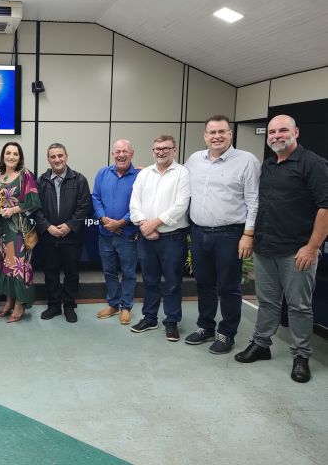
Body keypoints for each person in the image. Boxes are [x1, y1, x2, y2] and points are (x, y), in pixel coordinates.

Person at [235, 115, 328, 383]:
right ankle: (261, 344)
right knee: (267, 301)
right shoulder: (268, 166)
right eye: (272, 132)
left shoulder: (313, 164)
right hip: (266, 248)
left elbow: (325, 207)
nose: (276, 135)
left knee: (299, 306)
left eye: (283, 130)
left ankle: (301, 355)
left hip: (297, 251)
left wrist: (312, 247)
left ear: (296, 132)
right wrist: (251, 238)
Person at [184, 114, 260, 354]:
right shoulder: (195, 159)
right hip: (198, 233)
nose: (216, 136)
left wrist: (248, 234)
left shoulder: (247, 161)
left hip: (230, 234)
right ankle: (205, 326)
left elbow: (254, 200)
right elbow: (178, 181)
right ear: (205, 136)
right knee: (204, 283)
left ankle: (227, 333)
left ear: (230, 134)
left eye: (221, 132)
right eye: (212, 132)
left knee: (228, 286)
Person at [129, 135, 190, 340]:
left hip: (172, 237)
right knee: (149, 280)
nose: (161, 152)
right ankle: (150, 318)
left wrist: (153, 224)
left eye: (165, 148)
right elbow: (134, 203)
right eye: (157, 149)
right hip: (146, 237)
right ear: (153, 151)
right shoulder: (144, 174)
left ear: (174, 150)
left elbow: (181, 206)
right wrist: (144, 226)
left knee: (173, 282)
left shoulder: (182, 174)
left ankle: (171, 321)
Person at [0, 142, 41, 323]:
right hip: (1, 229)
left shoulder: (25, 175)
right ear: (3, 156)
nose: (11, 156)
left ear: (20, 157)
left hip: (18, 228)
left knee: (17, 267)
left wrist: (13, 210)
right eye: (8, 153)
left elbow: (33, 202)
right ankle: (8, 301)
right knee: (4, 265)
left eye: (15, 154)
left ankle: (20, 305)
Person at [35, 143, 91, 323]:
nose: (57, 160)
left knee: (71, 273)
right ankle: (53, 306)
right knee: (50, 272)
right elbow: (36, 208)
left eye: (60, 155)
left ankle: (69, 305)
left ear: (66, 156)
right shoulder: (41, 180)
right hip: (49, 236)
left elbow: (84, 207)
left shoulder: (79, 180)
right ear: (48, 159)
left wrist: (69, 225)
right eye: (53, 157)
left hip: (72, 237)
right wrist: (48, 226)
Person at [92, 139, 139, 325]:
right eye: (118, 151)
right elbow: (95, 198)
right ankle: (113, 304)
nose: (121, 155)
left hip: (127, 235)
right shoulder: (102, 173)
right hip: (105, 234)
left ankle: (126, 307)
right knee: (109, 271)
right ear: (113, 154)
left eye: (125, 151)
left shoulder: (140, 176)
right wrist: (104, 220)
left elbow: (140, 204)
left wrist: (120, 222)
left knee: (128, 272)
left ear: (132, 153)